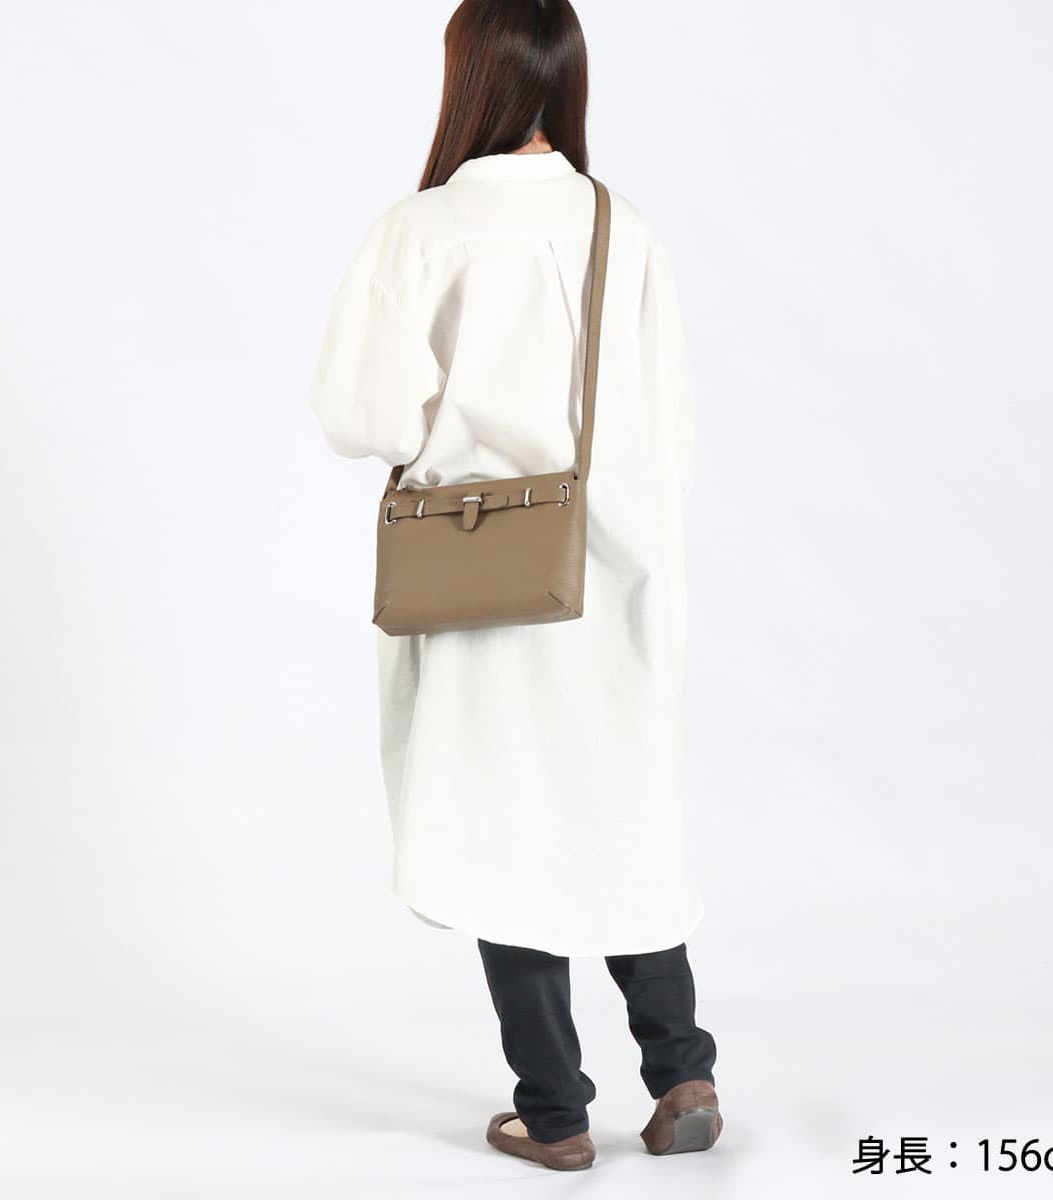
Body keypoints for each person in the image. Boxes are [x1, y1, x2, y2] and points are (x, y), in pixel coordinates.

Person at [311, 0, 720, 1172]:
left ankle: (553, 1115)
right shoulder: (622, 228)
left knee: (504, 828)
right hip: (620, 568)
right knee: (619, 817)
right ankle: (682, 1071)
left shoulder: (423, 231)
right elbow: (672, 423)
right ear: (566, 79)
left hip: (487, 567)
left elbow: (361, 416)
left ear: (472, 77)